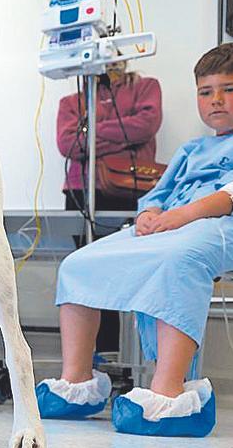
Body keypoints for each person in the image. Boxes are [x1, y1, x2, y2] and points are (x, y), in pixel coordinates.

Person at [37, 43, 233, 437]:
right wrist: (150, 215)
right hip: (174, 227)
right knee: (79, 264)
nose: (216, 100)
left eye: (230, 89)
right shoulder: (193, 149)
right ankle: (77, 384)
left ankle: (168, 393)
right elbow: (157, 196)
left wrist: (182, 215)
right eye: (206, 92)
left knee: (179, 259)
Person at [56, 61, 163, 356]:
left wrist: (91, 129)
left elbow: (146, 126)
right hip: (81, 193)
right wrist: (122, 132)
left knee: (127, 275)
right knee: (88, 276)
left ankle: (133, 360)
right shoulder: (72, 100)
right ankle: (95, 359)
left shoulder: (145, 88)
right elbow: (68, 143)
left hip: (132, 189)